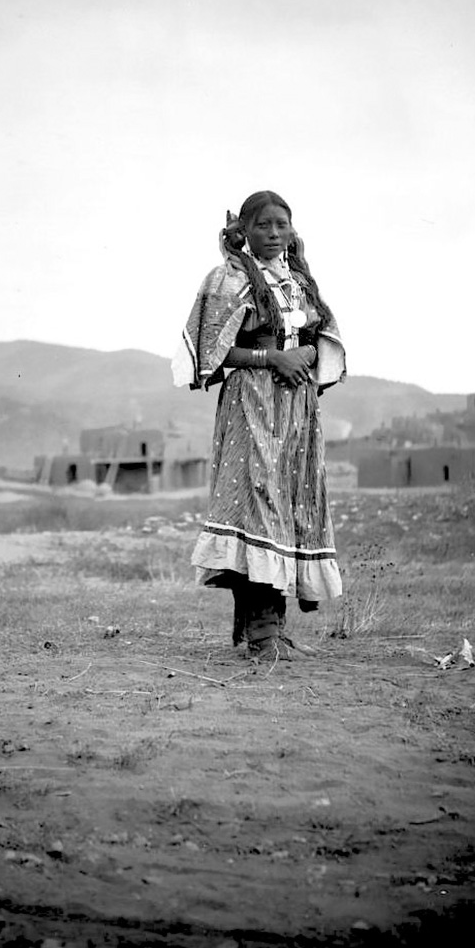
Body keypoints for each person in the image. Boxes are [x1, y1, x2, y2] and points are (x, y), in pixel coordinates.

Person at [172, 190, 346, 661]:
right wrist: (273, 357)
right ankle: (261, 633)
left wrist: (305, 353)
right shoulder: (228, 279)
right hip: (252, 406)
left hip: (296, 412)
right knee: (256, 508)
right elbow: (213, 352)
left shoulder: (298, 280)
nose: (273, 234)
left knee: (289, 507)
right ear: (244, 230)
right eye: (264, 225)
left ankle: (274, 630)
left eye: (282, 225)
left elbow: (318, 336)